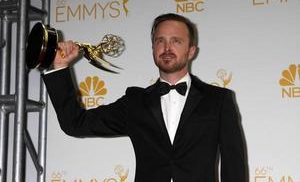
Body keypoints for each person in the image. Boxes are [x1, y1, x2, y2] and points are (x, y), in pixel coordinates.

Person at [42, 13, 247, 182]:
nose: (167, 48)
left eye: (176, 41)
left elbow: (234, 166)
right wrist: (60, 67)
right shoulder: (135, 102)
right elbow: (75, 124)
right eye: (160, 41)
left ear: (191, 50)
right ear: (153, 49)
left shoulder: (218, 100)